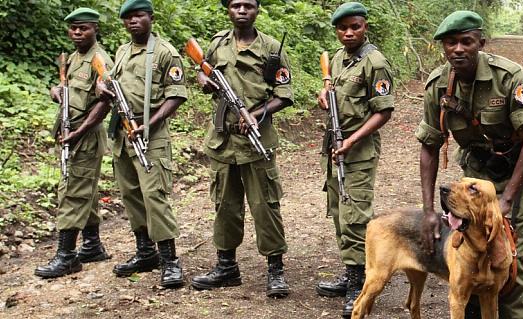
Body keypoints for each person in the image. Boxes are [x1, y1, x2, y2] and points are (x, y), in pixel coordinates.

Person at [417, 10, 523, 318]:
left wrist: (506, 200)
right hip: (476, 174)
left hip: (520, 173)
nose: (458, 49)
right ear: (444, 47)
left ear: (481, 43)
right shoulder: (438, 85)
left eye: (466, 41)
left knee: (515, 256)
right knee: (469, 248)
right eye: (451, 43)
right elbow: (429, 147)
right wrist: (428, 211)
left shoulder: (510, 77)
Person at [190, 0, 293, 298]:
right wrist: (205, 81)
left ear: (257, 9)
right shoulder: (218, 44)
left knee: (266, 206)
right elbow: (201, 70)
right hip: (223, 141)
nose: (242, 10)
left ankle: (275, 270)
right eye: (236, 5)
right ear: (228, 10)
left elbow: (284, 95)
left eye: (248, 5)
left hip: (257, 141)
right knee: (224, 204)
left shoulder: (272, 48)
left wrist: (257, 114)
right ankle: (226, 267)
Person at [97, 0, 188, 289]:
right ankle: (146, 252)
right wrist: (103, 88)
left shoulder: (165, 53)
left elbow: (176, 95)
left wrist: (148, 124)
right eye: (128, 18)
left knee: (155, 197)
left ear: (151, 18)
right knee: (132, 196)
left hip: (151, 134)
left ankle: (170, 260)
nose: (133, 21)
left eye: (139, 16)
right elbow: (115, 84)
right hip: (123, 133)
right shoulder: (122, 51)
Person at [314, 2, 394, 316]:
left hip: (356, 152)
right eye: (343, 28)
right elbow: (331, 89)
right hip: (335, 147)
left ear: (365, 27)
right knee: (339, 213)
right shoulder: (338, 57)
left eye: (355, 27)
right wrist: (323, 95)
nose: (348, 32)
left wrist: (351, 140)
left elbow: (384, 111)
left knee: (356, 218)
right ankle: (351, 273)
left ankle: (361, 285)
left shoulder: (375, 61)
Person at [35, 7, 113, 279]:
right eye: (73, 28)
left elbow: (106, 102)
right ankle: (92, 246)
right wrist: (57, 92)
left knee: (71, 191)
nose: (77, 32)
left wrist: (80, 132)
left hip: (84, 135)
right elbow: (72, 92)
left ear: (95, 29)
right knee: (85, 188)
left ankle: (66, 257)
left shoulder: (99, 59)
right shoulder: (75, 58)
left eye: (84, 28)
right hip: (73, 132)